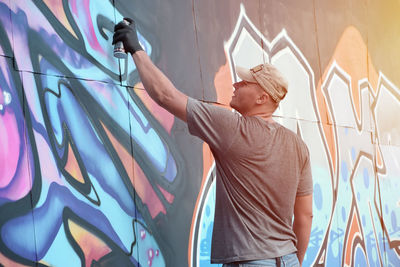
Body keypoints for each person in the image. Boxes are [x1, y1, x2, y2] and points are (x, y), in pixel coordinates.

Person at [113, 18, 313, 267]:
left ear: (262, 97)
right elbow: (304, 216)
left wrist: (136, 50)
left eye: (245, 82)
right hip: (288, 259)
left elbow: (166, 96)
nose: (236, 83)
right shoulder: (298, 146)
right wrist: (295, 261)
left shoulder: (232, 128)